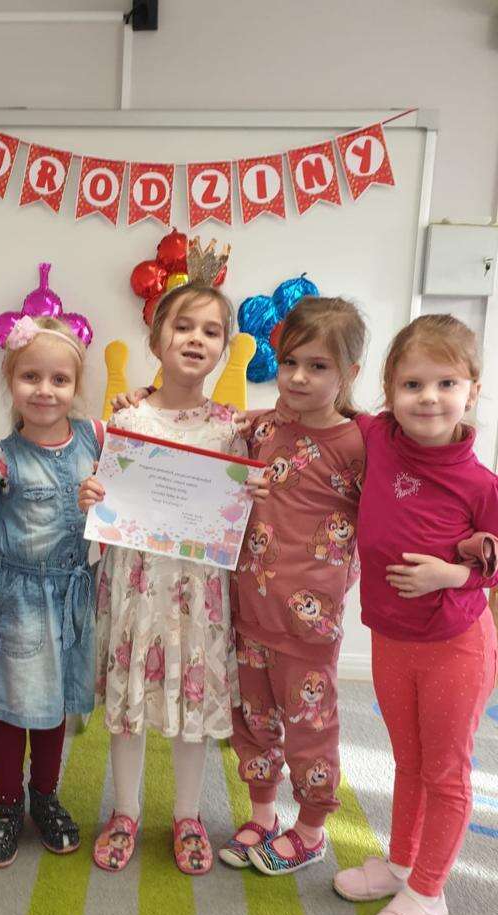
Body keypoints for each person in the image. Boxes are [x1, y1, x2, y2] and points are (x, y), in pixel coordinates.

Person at [81, 265, 266, 876]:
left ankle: (189, 814)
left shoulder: (231, 428)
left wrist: (253, 490)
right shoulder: (128, 420)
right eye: (183, 326)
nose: (195, 339)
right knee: (131, 696)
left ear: (225, 348)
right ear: (156, 338)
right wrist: (94, 495)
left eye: (211, 331)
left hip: (198, 589)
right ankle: (125, 811)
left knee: (194, 699)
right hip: (136, 581)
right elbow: (109, 496)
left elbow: (239, 507)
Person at [333, 314, 498, 915]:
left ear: (472, 390)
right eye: (412, 384)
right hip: (391, 637)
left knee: (445, 772)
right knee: (409, 761)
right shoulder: (377, 436)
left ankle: (428, 895)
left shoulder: (480, 483)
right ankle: (402, 864)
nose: (428, 398)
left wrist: (453, 574)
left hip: (455, 645)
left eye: (446, 383)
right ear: (389, 390)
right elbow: (315, 410)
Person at [218, 297, 367, 877]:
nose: (299, 377)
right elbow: (206, 434)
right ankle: (262, 814)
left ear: (349, 373)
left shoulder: (360, 445)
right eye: (289, 363)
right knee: (252, 721)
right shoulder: (261, 428)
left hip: (308, 625)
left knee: (310, 729)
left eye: (318, 366)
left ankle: (310, 830)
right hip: (249, 610)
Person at [0, 315, 102, 867]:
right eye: (30, 376)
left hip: (71, 596)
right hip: (16, 599)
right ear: (10, 380)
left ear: (76, 385)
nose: (45, 390)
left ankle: (44, 795)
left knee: (54, 704)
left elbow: (143, 468)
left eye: (59, 379)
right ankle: (7, 802)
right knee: (11, 705)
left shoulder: (97, 438)